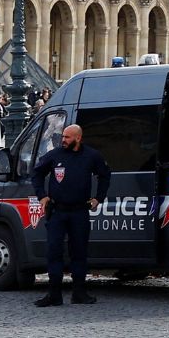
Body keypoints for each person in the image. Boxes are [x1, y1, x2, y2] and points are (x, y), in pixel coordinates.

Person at [29, 123, 112, 307]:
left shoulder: (91, 156)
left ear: (78, 138)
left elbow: (105, 175)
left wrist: (99, 198)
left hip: (79, 211)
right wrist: (42, 196)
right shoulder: (55, 155)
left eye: (67, 137)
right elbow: (36, 174)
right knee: (54, 252)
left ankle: (79, 293)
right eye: (63, 136)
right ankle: (54, 294)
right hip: (57, 211)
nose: (63, 140)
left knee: (79, 253)